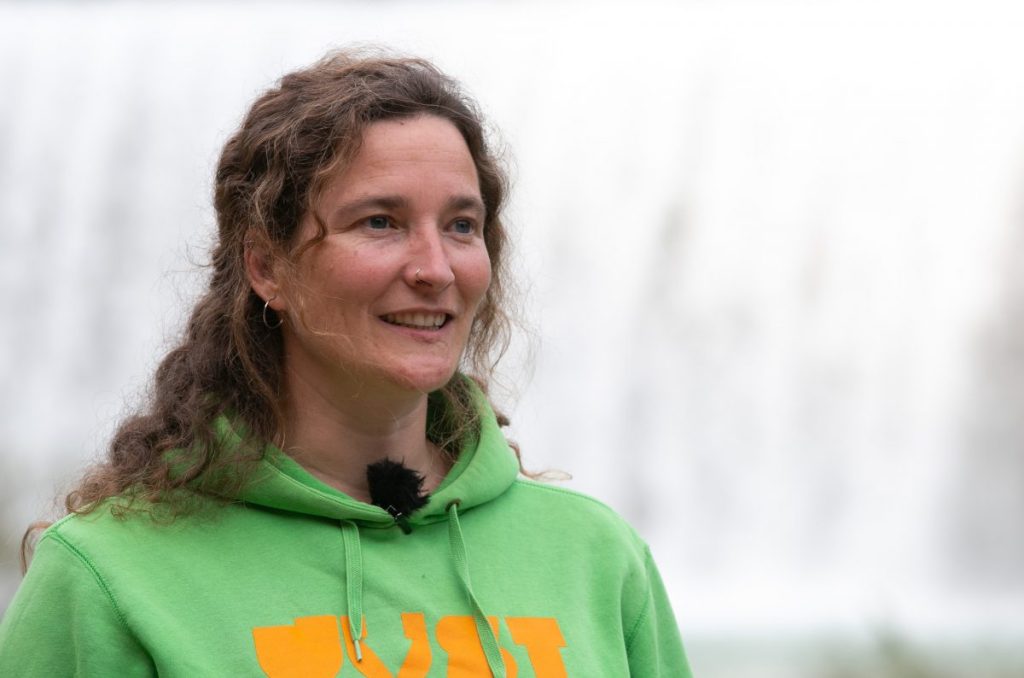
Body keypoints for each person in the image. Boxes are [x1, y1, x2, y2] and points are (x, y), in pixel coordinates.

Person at [0, 50, 692, 677]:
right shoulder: (111, 575)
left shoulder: (596, 558)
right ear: (267, 266)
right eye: (380, 222)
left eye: (461, 225)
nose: (435, 269)